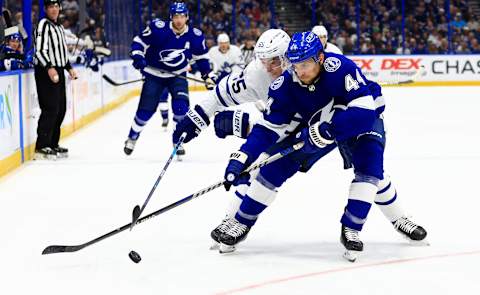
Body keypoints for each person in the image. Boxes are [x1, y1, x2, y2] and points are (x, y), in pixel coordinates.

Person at [215, 32, 427, 261]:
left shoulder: (341, 67)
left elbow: (365, 113)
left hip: (359, 119)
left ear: (321, 58)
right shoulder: (285, 84)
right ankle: (241, 221)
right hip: (317, 127)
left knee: (370, 169)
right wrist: (242, 157)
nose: (301, 71)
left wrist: (328, 130)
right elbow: (268, 128)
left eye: (306, 64)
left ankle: (362, 226)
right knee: (273, 168)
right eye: (296, 65)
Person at [124, 2, 215, 157]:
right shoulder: (158, 28)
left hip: (177, 76)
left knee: (181, 109)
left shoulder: (195, 35)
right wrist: (138, 56)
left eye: (182, 16)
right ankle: (132, 137)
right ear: (171, 17)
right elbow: (139, 42)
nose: (179, 20)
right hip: (154, 74)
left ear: (187, 17)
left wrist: (207, 75)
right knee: (145, 111)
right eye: (175, 16)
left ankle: (177, 140)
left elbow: (201, 58)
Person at [33, 0, 77, 160]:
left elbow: (62, 53)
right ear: (45, 9)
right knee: (50, 108)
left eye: (56, 6)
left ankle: (52, 143)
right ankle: (41, 146)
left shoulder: (59, 27)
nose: (54, 9)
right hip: (46, 71)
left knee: (61, 108)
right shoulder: (43, 25)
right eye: (50, 7)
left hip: (57, 69)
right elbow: (39, 51)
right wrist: (49, 68)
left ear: (60, 8)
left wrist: (69, 68)